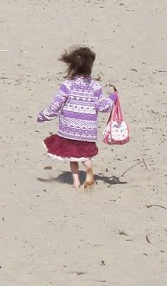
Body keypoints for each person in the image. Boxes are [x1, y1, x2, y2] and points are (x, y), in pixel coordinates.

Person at [36, 45, 116, 190]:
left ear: (72, 66)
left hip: (68, 128)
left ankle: (76, 182)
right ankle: (88, 168)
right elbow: (103, 106)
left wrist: (43, 115)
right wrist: (112, 98)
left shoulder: (68, 85)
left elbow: (56, 105)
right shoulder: (94, 86)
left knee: (72, 157)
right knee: (84, 155)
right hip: (87, 130)